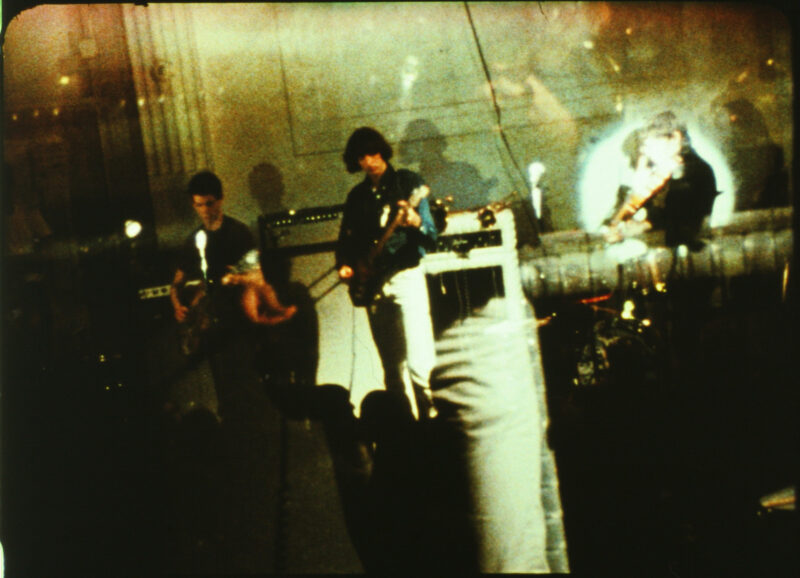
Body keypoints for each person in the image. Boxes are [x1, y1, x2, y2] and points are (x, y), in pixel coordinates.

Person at [170, 170, 295, 420]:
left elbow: (256, 276)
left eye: (209, 203)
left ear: (220, 200)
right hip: (209, 326)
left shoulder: (238, 233)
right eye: (198, 205)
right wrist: (177, 306)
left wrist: (235, 278)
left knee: (244, 383)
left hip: (237, 322)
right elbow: (176, 283)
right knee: (222, 386)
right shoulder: (193, 240)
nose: (204, 210)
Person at [336, 127, 438, 420]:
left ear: (383, 152)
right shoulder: (356, 197)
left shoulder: (408, 182)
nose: (371, 161)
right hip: (375, 285)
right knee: (392, 368)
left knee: (421, 361)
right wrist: (347, 266)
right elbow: (346, 241)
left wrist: (416, 220)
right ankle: (404, 433)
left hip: (407, 276)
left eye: (374, 153)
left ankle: (433, 425)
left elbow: (431, 236)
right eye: (363, 157)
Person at [604, 111, 718, 250]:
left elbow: (681, 220)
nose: (648, 154)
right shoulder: (663, 172)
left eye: (651, 147)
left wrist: (639, 227)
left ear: (675, 138)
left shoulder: (696, 171)